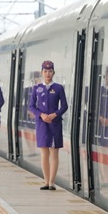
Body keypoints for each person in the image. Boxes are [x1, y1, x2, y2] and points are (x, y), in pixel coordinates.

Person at [29, 60, 68, 190]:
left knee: (54, 153)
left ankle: (52, 182)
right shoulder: (36, 88)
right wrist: (41, 115)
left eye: (50, 71)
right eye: (45, 71)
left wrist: (54, 115)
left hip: (55, 124)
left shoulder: (58, 88)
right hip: (41, 124)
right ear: (41, 72)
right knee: (44, 153)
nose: (47, 73)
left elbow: (64, 106)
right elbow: (31, 106)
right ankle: (46, 181)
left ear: (53, 72)